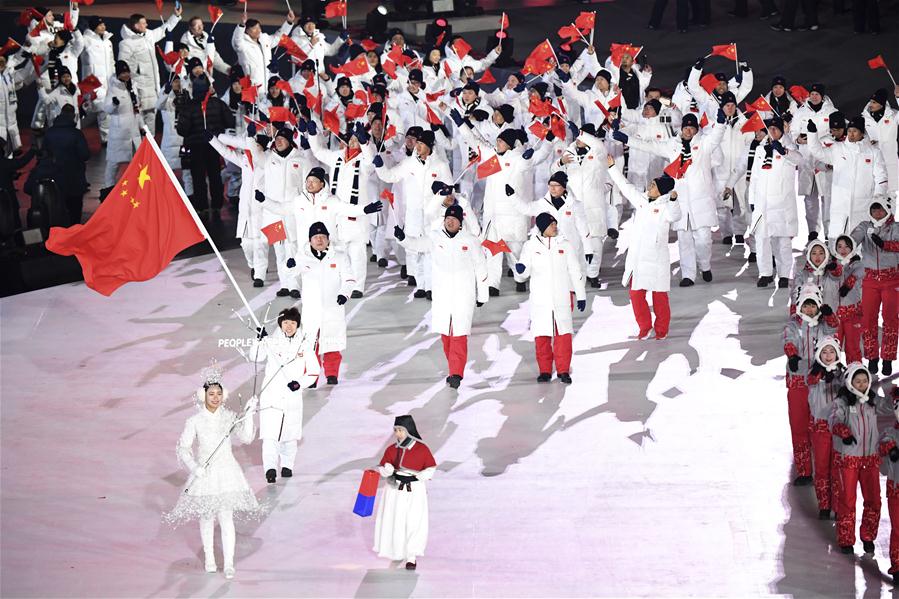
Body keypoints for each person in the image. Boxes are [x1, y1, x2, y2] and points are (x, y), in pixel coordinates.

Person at [163, 364, 262, 579]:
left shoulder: (229, 417)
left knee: (226, 517)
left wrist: (250, 413)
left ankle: (228, 563)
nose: (215, 397)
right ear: (203, 396)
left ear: (223, 395)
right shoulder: (195, 421)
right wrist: (194, 467)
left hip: (227, 472)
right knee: (207, 516)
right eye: (211, 394)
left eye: (218, 393)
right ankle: (209, 558)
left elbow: (245, 438)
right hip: (205, 473)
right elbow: (184, 447)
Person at [614, 110, 725, 286]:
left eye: (692, 128)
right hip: (679, 200)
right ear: (681, 128)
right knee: (684, 240)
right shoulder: (672, 145)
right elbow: (649, 145)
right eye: (686, 127)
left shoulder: (704, 144)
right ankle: (688, 275)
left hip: (700, 200)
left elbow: (717, 137)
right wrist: (627, 140)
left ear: (696, 130)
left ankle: (705, 265)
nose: (688, 130)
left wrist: (720, 123)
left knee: (704, 239)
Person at [395, 205, 489, 389]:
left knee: (459, 335)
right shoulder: (435, 238)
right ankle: (453, 367)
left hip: (464, 294)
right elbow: (417, 244)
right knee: (446, 335)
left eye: (453, 218)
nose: (450, 221)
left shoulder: (469, 241)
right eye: (447, 218)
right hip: (442, 295)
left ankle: (456, 373)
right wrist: (403, 238)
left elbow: (481, 267)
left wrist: (482, 294)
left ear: (460, 222)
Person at [607, 156, 681, 339]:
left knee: (660, 298)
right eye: (651, 184)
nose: (649, 187)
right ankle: (645, 326)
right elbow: (625, 186)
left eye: (654, 186)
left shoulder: (666, 207)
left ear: (662, 191)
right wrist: (611, 168)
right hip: (638, 258)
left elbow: (675, 216)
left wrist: (673, 200)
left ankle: (661, 329)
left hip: (656, 259)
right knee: (636, 295)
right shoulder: (641, 200)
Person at [248, 307, 319, 483]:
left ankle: (287, 465)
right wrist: (259, 341)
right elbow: (255, 357)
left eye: (293, 323)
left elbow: (314, 371)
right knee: (270, 435)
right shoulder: (271, 342)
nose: (289, 326)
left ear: (297, 325)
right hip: (272, 395)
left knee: (290, 435)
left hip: (292, 396)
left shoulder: (304, 345)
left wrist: (299, 384)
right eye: (286, 322)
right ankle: (270, 469)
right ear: (280, 323)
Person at [515, 213, 587, 383]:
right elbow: (524, 272)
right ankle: (545, 371)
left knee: (563, 336)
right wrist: (520, 269)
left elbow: (575, 271)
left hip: (561, 298)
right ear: (542, 227)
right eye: (551, 224)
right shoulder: (530, 246)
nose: (555, 226)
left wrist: (581, 295)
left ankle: (563, 370)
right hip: (541, 301)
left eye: (555, 223)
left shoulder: (565, 245)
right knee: (542, 337)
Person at [286, 222, 355, 385]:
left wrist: (344, 294)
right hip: (312, 310)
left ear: (328, 239)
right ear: (310, 240)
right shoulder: (302, 257)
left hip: (332, 309)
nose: (319, 240)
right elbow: (292, 273)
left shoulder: (339, 257)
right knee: (310, 345)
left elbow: (349, 279)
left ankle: (332, 374)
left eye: (323, 237)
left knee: (332, 342)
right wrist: (289, 266)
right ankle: (312, 377)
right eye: (316, 237)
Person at [373, 415, 437, 571]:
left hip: (414, 491)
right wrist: (386, 470)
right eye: (395, 430)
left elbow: (430, 467)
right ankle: (397, 550)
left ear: (409, 430)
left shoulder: (422, 449)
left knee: (414, 521)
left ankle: (411, 556)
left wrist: (423, 475)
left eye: (401, 430)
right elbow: (383, 467)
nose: (398, 434)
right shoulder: (391, 450)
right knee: (395, 520)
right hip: (395, 490)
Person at [807, 115, 887, 238]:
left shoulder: (873, 152)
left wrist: (878, 197)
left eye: (855, 131)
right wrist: (812, 134)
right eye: (849, 131)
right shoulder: (838, 149)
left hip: (863, 206)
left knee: (862, 245)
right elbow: (818, 152)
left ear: (862, 132)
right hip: (840, 207)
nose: (851, 134)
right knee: (839, 245)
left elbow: (881, 177)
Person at [829, 362, 880, 554]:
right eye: (857, 381)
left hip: (870, 459)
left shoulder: (872, 402)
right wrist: (844, 432)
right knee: (848, 500)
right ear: (850, 383)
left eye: (865, 381)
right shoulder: (841, 402)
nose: (862, 385)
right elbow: (834, 419)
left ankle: (868, 536)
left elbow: (892, 412)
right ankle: (846, 539)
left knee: (874, 499)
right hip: (849, 458)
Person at [747, 117, 803, 289]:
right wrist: (752, 199)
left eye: (775, 129)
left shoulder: (789, 146)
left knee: (782, 242)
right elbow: (755, 176)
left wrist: (784, 151)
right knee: (762, 240)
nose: (772, 132)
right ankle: (765, 273)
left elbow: (799, 160)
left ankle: (785, 274)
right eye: (770, 129)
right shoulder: (760, 149)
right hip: (762, 203)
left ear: (782, 130)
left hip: (782, 203)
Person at [176, 69, 235, 219]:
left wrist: (182, 111)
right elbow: (230, 121)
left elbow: (182, 130)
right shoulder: (218, 103)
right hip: (214, 145)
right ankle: (216, 205)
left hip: (196, 147)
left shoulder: (189, 106)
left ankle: (202, 207)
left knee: (198, 178)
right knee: (215, 175)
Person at [850, 198, 898, 376]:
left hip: (892, 281)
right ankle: (872, 357)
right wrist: (847, 247)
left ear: (888, 210)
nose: (877, 213)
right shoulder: (864, 226)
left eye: (880, 210)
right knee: (868, 320)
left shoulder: (896, 228)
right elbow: (852, 240)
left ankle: (887, 358)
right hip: (869, 280)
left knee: (890, 320)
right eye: (874, 210)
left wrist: (885, 244)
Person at [117, 7, 183, 134]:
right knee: (138, 122)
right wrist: (133, 80)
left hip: (152, 86)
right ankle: (139, 150)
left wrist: (175, 15)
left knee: (151, 118)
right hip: (139, 87)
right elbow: (122, 66)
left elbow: (165, 29)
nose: (147, 24)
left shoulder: (149, 35)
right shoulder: (126, 43)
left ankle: (150, 148)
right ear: (136, 25)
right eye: (144, 23)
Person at [806, 336, 845, 520]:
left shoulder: (844, 374)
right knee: (821, 467)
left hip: (838, 428)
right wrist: (821, 374)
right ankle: (824, 504)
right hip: (820, 426)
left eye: (832, 352)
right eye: (824, 352)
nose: (828, 356)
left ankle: (838, 506)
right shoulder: (814, 372)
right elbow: (812, 384)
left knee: (836, 468)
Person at [100, 60, 144, 200]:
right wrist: (114, 104)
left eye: (127, 72)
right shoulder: (113, 88)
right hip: (119, 132)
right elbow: (106, 109)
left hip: (134, 131)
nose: (126, 75)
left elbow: (137, 109)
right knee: (114, 162)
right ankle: (108, 188)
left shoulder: (133, 86)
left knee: (138, 161)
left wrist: (142, 127)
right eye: (123, 72)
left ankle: (139, 187)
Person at [41, 105, 88, 225]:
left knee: (57, 211)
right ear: (73, 116)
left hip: (55, 178)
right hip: (74, 179)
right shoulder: (76, 134)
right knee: (74, 212)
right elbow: (85, 155)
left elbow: (43, 153)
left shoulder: (50, 132)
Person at [231, 11, 296, 88]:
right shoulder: (243, 45)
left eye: (259, 27)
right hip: (253, 87)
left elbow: (279, 37)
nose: (258, 30)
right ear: (247, 30)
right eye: (254, 28)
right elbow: (237, 40)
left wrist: (288, 22)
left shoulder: (265, 39)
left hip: (268, 85)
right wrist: (241, 26)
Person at [80, 16, 115, 145]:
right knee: (88, 111)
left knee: (104, 111)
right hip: (92, 83)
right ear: (94, 26)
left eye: (104, 24)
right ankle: (72, 131)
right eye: (100, 25)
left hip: (107, 82)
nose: (103, 27)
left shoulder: (108, 42)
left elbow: (111, 61)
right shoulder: (86, 40)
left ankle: (106, 140)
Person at [831, 235, 865, 364]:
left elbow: (857, 274)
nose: (843, 249)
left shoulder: (857, 264)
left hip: (853, 314)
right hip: (834, 315)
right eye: (839, 246)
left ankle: (855, 376)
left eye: (846, 246)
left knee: (853, 347)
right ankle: (833, 375)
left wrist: (847, 285)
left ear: (852, 248)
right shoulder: (831, 265)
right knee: (833, 347)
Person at [877, 387, 899, 582]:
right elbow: (882, 444)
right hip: (896, 489)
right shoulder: (891, 432)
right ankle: (898, 566)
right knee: (898, 528)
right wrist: (890, 448)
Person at [863, 88, 898, 198]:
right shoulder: (864, 119)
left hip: (891, 162)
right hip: (873, 164)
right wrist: (868, 143)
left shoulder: (893, 116)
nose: (870, 104)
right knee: (875, 196)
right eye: (870, 102)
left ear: (881, 104)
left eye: (874, 102)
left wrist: (898, 98)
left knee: (892, 196)